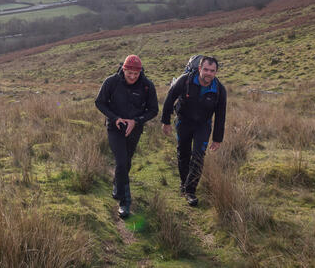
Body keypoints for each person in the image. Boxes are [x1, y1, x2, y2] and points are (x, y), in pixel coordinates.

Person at [95, 54, 159, 218]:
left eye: (135, 74)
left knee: (126, 162)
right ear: (123, 69)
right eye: (129, 73)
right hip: (115, 128)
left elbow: (153, 110)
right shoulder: (111, 82)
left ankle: (118, 183)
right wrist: (115, 118)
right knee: (122, 161)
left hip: (134, 129)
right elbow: (99, 102)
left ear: (140, 72)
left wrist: (136, 121)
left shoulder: (147, 86)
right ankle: (125, 202)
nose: (132, 77)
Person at [161, 55, 227, 207]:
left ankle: (190, 191)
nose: (208, 73)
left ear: (216, 72)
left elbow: (221, 115)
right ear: (199, 69)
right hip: (183, 122)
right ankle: (184, 183)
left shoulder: (219, 89)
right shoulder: (185, 80)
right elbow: (170, 98)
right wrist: (166, 122)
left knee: (198, 156)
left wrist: (218, 139)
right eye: (205, 69)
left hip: (203, 125)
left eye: (212, 70)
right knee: (183, 153)